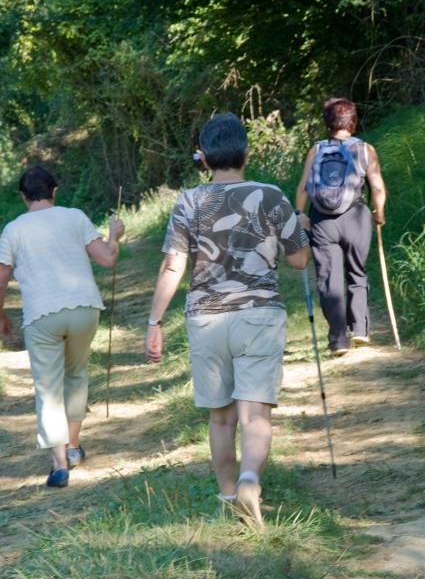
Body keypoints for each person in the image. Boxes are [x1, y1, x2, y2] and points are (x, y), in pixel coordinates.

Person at [144, 113, 309, 527]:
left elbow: (172, 266)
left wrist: (154, 322)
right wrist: (300, 228)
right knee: (255, 415)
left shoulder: (189, 201)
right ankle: (251, 480)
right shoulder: (271, 195)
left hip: (206, 319)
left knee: (221, 417)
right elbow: (299, 259)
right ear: (246, 153)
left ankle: (227, 495)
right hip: (259, 315)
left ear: (203, 160)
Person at [0, 166, 125, 488]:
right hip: (85, 309)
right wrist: (114, 235)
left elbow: (1, 279)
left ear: (22, 196)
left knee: (48, 386)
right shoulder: (75, 216)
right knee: (76, 374)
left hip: (42, 315)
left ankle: (59, 465)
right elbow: (108, 260)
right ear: (54, 191)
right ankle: (72, 446)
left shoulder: (13, 230)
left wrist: (1, 315)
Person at [295, 98, 386, 356]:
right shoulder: (366, 149)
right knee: (357, 272)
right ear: (352, 121)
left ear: (328, 123)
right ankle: (360, 330)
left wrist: (300, 214)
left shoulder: (316, 150)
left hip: (322, 220)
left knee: (328, 278)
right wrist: (379, 212)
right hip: (356, 216)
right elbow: (377, 186)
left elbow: (303, 186)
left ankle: (337, 340)